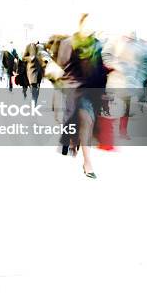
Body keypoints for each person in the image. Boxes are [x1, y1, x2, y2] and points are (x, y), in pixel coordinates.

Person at [56, 13, 107, 178]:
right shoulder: (68, 43)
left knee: (88, 121)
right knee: (80, 121)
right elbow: (61, 69)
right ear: (81, 25)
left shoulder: (97, 44)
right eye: (88, 23)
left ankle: (86, 160)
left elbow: (100, 69)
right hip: (73, 90)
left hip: (91, 92)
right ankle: (79, 150)